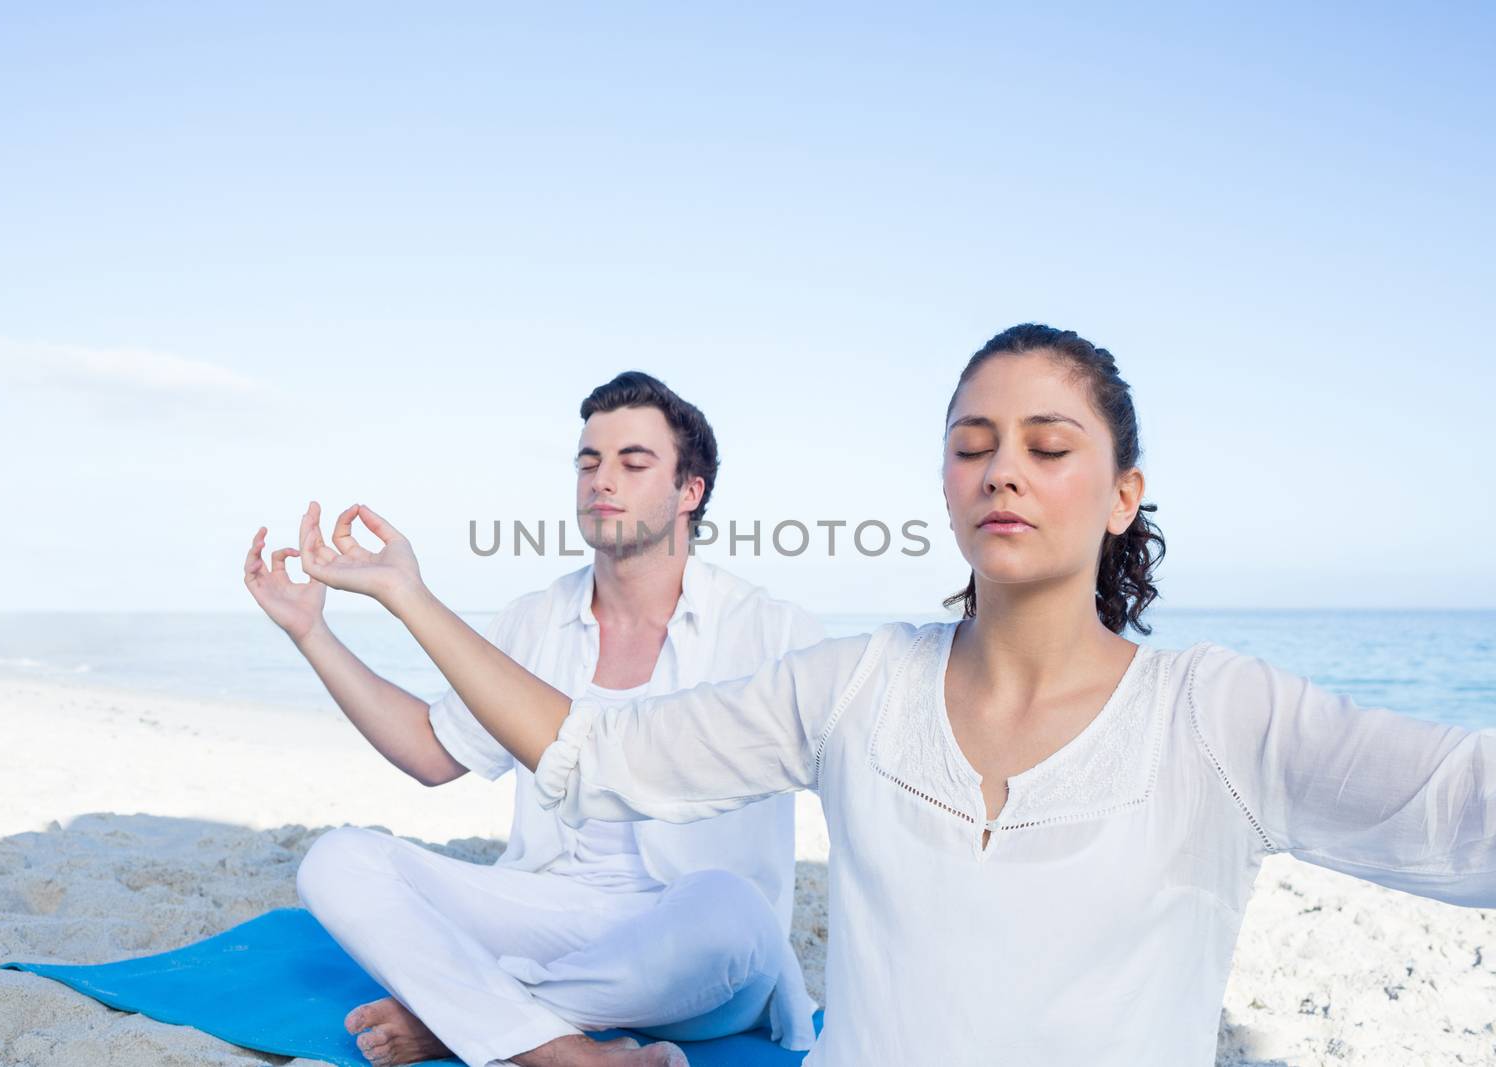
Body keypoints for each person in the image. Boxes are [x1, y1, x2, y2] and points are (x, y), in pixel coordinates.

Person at [297, 324, 1496, 1066]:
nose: (1004, 468)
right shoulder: (857, 683)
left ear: (1124, 492)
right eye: (973, 443)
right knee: (342, 860)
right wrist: (401, 594)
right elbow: (589, 752)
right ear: (943, 480)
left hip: (700, 948)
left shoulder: (1219, 714)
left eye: (1048, 442)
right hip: (596, 934)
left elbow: (1463, 809)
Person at [245, 372, 825, 1067]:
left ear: (689, 491)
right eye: (588, 461)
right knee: (336, 860)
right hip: (550, 913)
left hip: (699, 951)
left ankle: (470, 1017)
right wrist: (311, 632)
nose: (601, 479)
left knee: (731, 908)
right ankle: (562, 1049)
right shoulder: (535, 618)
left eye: (632, 462)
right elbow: (434, 750)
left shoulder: (771, 629)